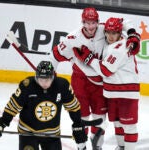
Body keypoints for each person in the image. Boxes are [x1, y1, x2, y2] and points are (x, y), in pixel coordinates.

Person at [49, 7, 140, 150]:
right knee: (82, 117)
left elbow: (124, 22)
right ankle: (82, 146)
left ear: (98, 22)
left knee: (100, 118)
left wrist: (132, 34)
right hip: (80, 82)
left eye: (93, 23)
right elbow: (54, 55)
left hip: (100, 83)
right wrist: (50, 76)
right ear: (82, 22)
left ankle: (97, 146)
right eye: (87, 23)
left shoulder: (105, 28)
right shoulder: (72, 38)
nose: (90, 26)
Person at [73, 17, 140, 150]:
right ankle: (121, 147)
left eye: (114, 33)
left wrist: (88, 58)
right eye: (108, 32)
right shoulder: (114, 42)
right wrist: (132, 32)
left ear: (120, 33)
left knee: (129, 126)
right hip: (112, 92)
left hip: (126, 93)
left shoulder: (121, 47)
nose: (110, 36)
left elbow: (105, 70)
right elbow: (124, 21)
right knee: (117, 123)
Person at [0, 61, 87, 150]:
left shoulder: (62, 86)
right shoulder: (27, 86)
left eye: (47, 80)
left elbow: (73, 107)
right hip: (28, 133)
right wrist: (2, 122)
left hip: (52, 134)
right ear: (36, 77)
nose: (44, 83)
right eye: (41, 80)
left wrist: (77, 124)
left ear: (53, 77)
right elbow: (13, 106)